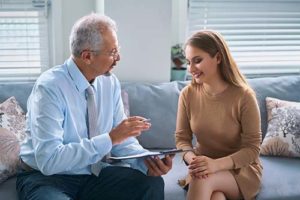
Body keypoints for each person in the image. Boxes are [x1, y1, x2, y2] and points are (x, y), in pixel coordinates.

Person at [17, 13, 173, 200]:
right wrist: (110, 138)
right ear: (87, 56)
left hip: (93, 173)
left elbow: (122, 142)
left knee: (150, 183)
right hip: (45, 178)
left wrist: (147, 161)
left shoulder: (110, 83)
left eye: (118, 49)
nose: (119, 57)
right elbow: (49, 161)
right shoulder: (50, 87)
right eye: (112, 52)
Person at [175, 30, 262, 200]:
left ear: (218, 58)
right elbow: (182, 139)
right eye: (188, 62)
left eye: (197, 61)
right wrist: (193, 159)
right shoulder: (188, 94)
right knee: (217, 197)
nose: (191, 69)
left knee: (201, 180)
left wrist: (215, 165)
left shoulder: (244, 96)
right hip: (204, 167)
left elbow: (252, 149)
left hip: (240, 171)